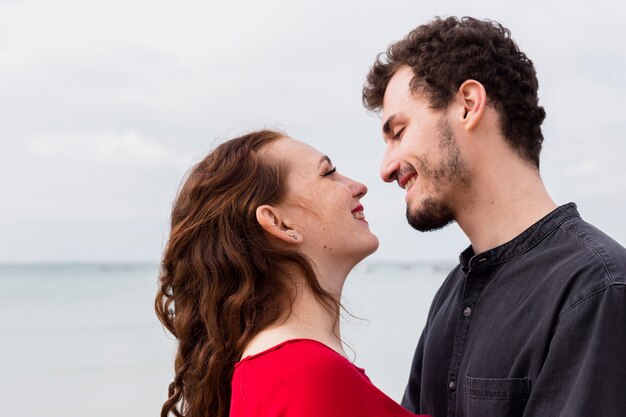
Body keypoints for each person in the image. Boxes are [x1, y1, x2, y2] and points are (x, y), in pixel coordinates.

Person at [362, 16, 626, 417]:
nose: (385, 169)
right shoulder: (452, 293)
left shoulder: (596, 288)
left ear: (469, 105)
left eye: (398, 132)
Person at [155, 129, 426, 417]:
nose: (358, 186)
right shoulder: (304, 375)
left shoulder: (282, 370)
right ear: (279, 223)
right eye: (328, 173)